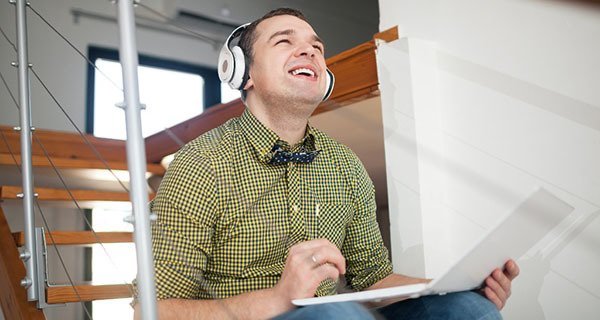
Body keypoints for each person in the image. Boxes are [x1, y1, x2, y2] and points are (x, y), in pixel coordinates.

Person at [133, 8, 519, 319]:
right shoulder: (201, 164)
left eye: (316, 48)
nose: (309, 52)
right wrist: (279, 299)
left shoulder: (345, 166)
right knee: (337, 313)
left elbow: (374, 280)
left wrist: (452, 285)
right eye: (285, 41)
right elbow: (152, 311)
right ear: (243, 73)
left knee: (470, 309)